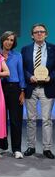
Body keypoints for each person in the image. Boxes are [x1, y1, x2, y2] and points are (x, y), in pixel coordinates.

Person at [21, 23, 55, 159]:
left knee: (47, 120)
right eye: (36, 32)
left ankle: (47, 149)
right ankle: (31, 146)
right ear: (32, 35)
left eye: (42, 31)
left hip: (48, 87)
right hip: (31, 88)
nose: (39, 34)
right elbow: (22, 68)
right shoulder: (25, 50)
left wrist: (50, 77)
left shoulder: (53, 49)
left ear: (46, 34)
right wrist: (29, 76)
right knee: (31, 119)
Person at [0, 31, 26, 159]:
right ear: (2, 40)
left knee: (16, 120)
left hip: (15, 89)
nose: (9, 42)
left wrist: (22, 91)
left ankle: (16, 149)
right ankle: (3, 145)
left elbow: (21, 74)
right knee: (0, 119)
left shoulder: (18, 55)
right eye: (7, 39)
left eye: (12, 40)